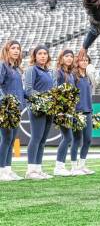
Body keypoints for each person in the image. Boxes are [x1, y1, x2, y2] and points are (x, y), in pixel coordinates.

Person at [24, 45, 56, 180]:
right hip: (37, 108)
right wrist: (43, 98)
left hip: (49, 108)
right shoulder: (32, 69)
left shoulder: (50, 72)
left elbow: (54, 90)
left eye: (45, 53)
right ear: (35, 56)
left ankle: (38, 169)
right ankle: (30, 170)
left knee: (43, 140)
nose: (43, 56)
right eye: (40, 53)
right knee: (36, 138)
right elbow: (29, 89)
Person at [0, 40, 25, 181]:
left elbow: (19, 90)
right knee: (6, 139)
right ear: (7, 50)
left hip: (17, 108)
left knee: (10, 140)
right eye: (13, 48)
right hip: (6, 108)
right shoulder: (2, 66)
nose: (16, 50)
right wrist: (5, 102)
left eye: (18, 48)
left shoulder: (16, 69)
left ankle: (7, 170)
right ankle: (1, 171)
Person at [71, 54, 94, 176]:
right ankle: (74, 167)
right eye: (82, 60)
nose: (84, 62)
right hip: (77, 112)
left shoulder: (89, 77)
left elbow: (89, 95)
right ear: (77, 61)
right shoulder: (74, 76)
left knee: (88, 140)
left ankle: (82, 165)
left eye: (86, 60)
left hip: (88, 111)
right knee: (76, 139)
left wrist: (92, 110)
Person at [54, 49, 76, 177]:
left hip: (70, 108)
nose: (69, 58)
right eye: (66, 56)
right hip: (62, 109)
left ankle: (61, 165)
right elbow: (55, 90)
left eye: (71, 56)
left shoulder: (71, 73)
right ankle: (59, 166)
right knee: (68, 137)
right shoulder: (58, 73)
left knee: (66, 137)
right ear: (61, 58)